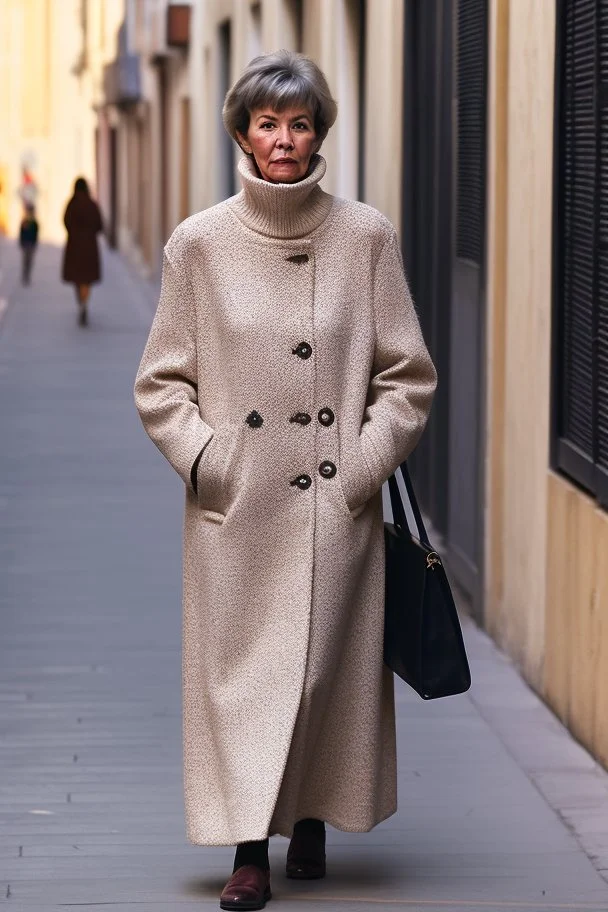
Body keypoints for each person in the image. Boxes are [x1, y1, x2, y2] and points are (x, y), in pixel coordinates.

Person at [134, 50, 437, 911]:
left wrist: (364, 464)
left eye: (299, 124)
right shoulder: (200, 244)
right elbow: (161, 382)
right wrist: (210, 461)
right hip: (241, 511)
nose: (283, 140)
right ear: (241, 132)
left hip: (335, 505)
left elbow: (406, 375)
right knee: (246, 679)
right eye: (267, 124)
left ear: (318, 136)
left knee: (321, 672)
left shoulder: (366, 237)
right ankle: (247, 850)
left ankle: (309, 818)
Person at [62, 177, 103, 326]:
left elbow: (65, 222)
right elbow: (100, 225)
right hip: (89, 248)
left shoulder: (71, 205)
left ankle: (81, 302)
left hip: (74, 248)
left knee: (77, 278)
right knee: (86, 278)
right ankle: (84, 303)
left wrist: (74, 233)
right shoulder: (92, 205)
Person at [19, 204, 39, 286]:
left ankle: (27, 275)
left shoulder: (34, 223)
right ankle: (25, 275)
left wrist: (34, 243)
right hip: (26, 244)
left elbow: (36, 234)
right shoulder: (24, 222)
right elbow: (21, 233)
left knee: (29, 261)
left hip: (31, 244)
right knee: (25, 260)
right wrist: (22, 242)